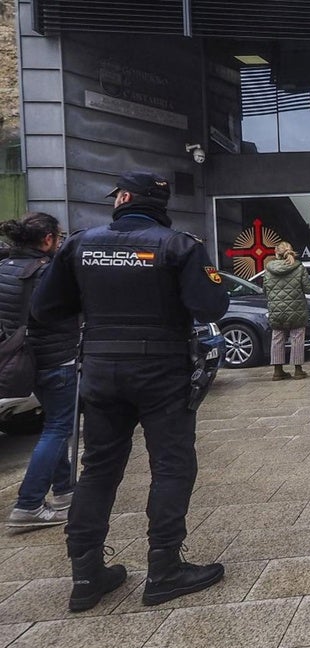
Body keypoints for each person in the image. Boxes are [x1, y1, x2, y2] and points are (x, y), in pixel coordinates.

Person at [32, 171, 230, 612]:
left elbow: (46, 308)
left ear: (122, 198)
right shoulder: (180, 245)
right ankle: (164, 568)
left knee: (99, 468)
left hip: (102, 371)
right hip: (162, 371)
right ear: (160, 204)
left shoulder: (80, 244)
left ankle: (85, 575)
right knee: (172, 466)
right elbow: (212, 305)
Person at [0, 213, 79, 529]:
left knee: (52, 424)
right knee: (60, 426)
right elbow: (69, 310)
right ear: (47, 239)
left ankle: (63, 489)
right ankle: (29, 503)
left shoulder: (4, 268)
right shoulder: (46, 273)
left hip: (21, 360)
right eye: (59, 238)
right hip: (53, 359)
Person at [261, 241, 310, 381]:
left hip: (276, 310)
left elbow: (265, 291)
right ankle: (298, 370)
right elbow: (309, 289)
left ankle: (278, 371)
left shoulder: (268, 269)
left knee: (277, 339)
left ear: (276, 252)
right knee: (297, 338)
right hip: (297, 309)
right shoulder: (299, 267)